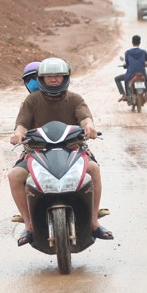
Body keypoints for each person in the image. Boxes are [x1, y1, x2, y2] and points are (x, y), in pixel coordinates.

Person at [9, 57, 114, 245]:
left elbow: (85, 119)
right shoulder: (32, 100)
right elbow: (22, 124)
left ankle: (93, 222)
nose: (54, 80)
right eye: (49, 77)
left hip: (73, 150)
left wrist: (89, 127)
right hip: (37, 152)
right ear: (42, 79)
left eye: (58, 76)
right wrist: (17, 134)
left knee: (93, 169)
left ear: (65, 77)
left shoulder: (75, 98)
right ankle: (29, 225)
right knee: (15, 175)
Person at [116, 34, 147, 101]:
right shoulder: (143, 52)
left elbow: (127, 63)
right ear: (140, 42)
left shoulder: (128, 52)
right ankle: (146, 93)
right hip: (142, 74)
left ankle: (124, 95)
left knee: (117, 79)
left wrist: (126, 66)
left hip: (131, 74)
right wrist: (146, 65)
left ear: (132, 42)